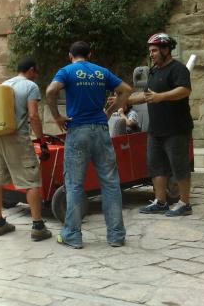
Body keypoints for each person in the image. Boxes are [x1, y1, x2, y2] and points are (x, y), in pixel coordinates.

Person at [46, 41, 132, 249]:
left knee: (74, 185)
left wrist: (57, 117)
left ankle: (72, 235)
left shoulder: (67, 71)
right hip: (101, 131)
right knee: (110, 184)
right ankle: (116, 235)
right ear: (90, 54)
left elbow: (50, 91)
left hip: (77, 131)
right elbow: (126, 90)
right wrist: (110, 111)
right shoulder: (101, 72)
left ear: (70, 55)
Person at [130, 33, 194, 216]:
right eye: (150, 51)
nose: (151, 54)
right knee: (156, 165)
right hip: (155, 129)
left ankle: (184, 203)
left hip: (176, 128)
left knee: (179, 165)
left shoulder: (179, 69)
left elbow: (185, 90)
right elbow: (147, 95)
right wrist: (126, 100)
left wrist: (161, 96)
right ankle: (160, 201)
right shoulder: (153, 71)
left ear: (166, 50)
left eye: (155, 50)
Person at [0, 57, 52, 241]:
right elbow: (33, 116)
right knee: (32, 180)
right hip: (18, 138)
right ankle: (38, 226)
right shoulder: (30, 86)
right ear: (32, 70)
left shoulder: (4, 84)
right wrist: (41, 140)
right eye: (36, 72)